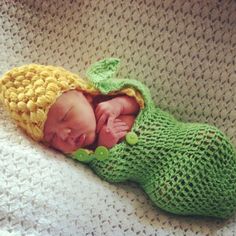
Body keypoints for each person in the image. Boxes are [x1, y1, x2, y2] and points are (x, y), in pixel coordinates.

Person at [1, 58, 236, 219]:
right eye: (52, 137)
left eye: (65, 116)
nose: (65, 134)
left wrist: (118, 104)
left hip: (184, 136)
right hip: (162, 177)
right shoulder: (91, 154)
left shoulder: (110, 98)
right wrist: (106, 146)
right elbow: (112, 173)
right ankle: (223, 207)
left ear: (86, 96)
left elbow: (140, 96)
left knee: (208, 139)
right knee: (168, 194)